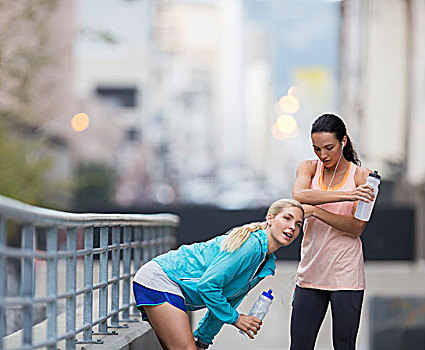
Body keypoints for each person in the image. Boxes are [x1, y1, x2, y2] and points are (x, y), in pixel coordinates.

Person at [133, 199, 304, 350]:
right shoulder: (251, 246)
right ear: (270, 219)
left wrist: (203, 340)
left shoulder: (265, 263)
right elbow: (208, 285)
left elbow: (228, 299)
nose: (292, 227)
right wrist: (236, 319)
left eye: (298, 224)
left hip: (170, 285)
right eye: (287, 218)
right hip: (161, 279)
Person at [290, 113, 376, 350]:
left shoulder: (363, 177)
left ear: (343, 141)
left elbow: (356, 227)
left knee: (344, 346)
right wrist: (347, 194)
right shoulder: (307, 168)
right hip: (310, 272)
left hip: (345, 274)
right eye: (317, 148)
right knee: (299, 346)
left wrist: (316, 212)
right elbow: (299, 196)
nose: (323, 155)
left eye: (329, 147)